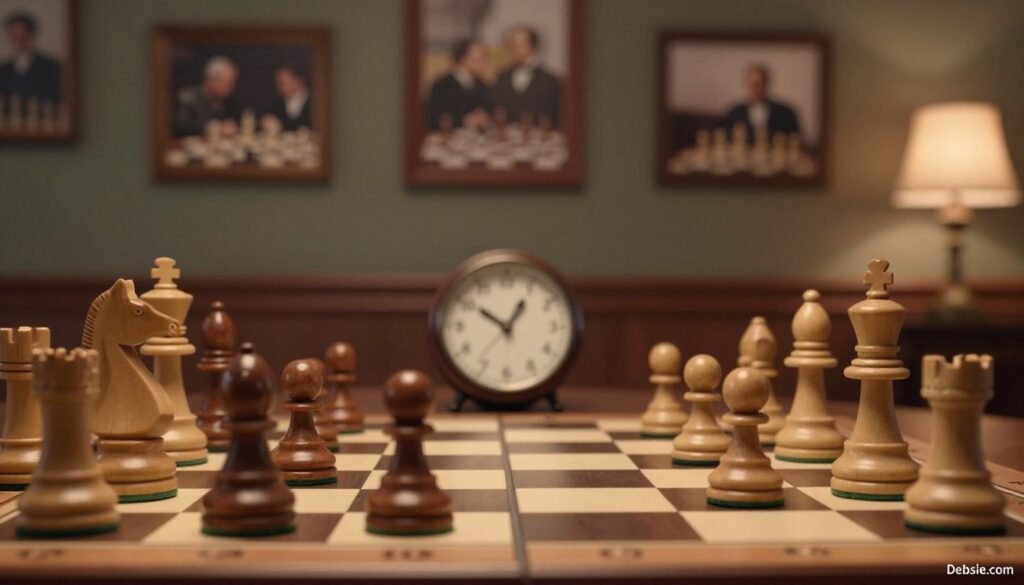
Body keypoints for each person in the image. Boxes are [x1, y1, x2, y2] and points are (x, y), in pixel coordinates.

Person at [492, 26, 561, 128]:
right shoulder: (502, 78)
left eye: (517, 45)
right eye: (511, 45)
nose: (512, 50)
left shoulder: (550, 81)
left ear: (532, 47)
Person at [722, 64, 801, 142]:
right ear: (747, 84)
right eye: (752, 84)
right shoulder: (734, 113)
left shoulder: (786, 113)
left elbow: (797, 140)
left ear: (767, 83)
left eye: (759, 83)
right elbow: (726, 141)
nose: (755, 88)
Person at [424, 38, 490, 131]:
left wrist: (483, 117)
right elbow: (434, 119)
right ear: (462, 59)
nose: (482, 63)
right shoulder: (441, 85)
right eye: (478, 59)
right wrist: (465, 121)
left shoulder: (481, 84)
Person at [0, 12, 62, 107]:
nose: (19, 41)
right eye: (15, 37)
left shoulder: (51, 67)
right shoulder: (4, 69)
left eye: (23, 36)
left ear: (32, 35)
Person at [173, 55, 242, 137]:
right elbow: (181, 128)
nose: (229, 88)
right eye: (225, 82)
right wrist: (211, 128)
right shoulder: (187, 98)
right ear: (209, 79)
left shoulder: (228, 102)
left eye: (231, 83)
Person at [265, 64, 312, 131]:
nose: (280, 88)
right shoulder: (278, 104)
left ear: (300, 80)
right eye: (279, 84)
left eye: (284, 83)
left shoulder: (314, 101)